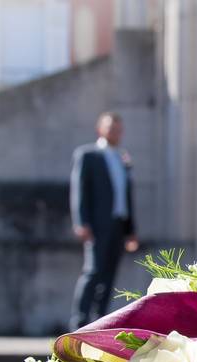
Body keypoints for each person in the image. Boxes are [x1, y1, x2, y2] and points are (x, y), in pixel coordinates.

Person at [69, 112, 140, 330]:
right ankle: (79, 322)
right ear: (100, 129)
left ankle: (98, 321)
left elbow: (126, 195)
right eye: (111, 128)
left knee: (109, 274)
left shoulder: (122, 158)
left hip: (118, 223)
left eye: (119, 129)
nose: (115, 133)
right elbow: (79, 190)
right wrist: (81, 221)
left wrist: (131, 230)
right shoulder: (88, 155)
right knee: (93, 271)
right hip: (97, 225)